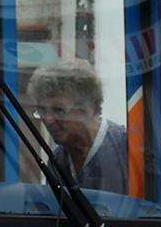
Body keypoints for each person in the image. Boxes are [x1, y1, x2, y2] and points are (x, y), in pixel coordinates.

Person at [27, 58, 130, 196]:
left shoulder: (126, 150)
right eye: (42, 111)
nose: (48, 119)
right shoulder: (58, 161)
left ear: (89, 109)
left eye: (58, 110)